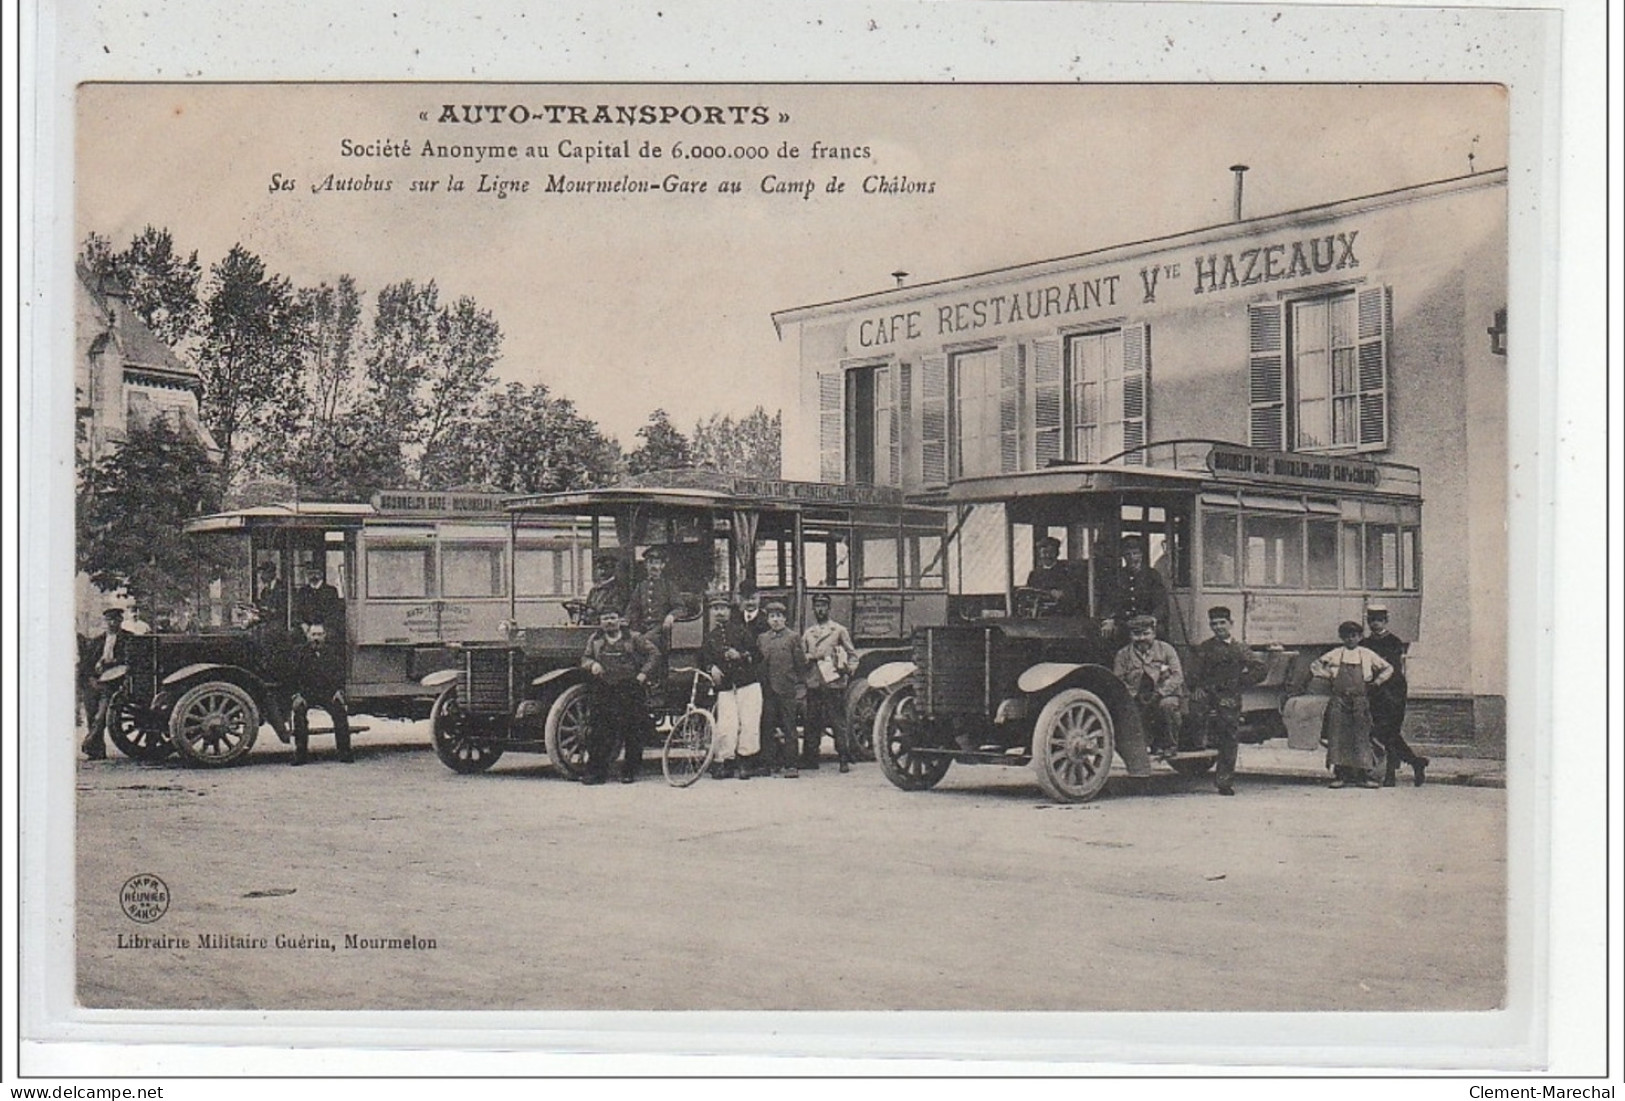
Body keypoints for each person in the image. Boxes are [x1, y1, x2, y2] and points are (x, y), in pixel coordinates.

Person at [1186, 606, 1266, 796]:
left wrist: (1240, 683)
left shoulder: (1240, 649)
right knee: (1195, 712)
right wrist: (1196, 688)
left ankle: (1224, 781)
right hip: (1207, 692)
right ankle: (1199, 742)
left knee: (1229, 735)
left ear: (1231, 624)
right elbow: (1193, 673)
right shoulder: (1205, 648)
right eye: (1214, 624)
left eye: (1222, 623)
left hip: (1228, 695)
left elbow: (1259, 669)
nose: (1218, 627)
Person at [579, 608, 660, 784]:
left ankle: (629, 771)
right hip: (604, 688)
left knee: (632, 731)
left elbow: (654, 654)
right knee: (599, 732)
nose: (609, 621)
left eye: (613, 618)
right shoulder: (595, 639)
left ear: (620, 620)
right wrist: (592, 664)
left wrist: (643, 674)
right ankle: (596, 773)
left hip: (630, 688)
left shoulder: (634, 638)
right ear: (600, 621)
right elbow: (584, 658)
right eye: (605, 618)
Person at [1311, 620, 1394, 789]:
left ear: (1360, 637)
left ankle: (1363, 777)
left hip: (1360, 700)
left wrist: (1377, 681)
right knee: (1339, 736)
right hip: (1339, 700)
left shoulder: (1366, 654)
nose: (1350, 639)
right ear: (1342, 637)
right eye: (1347, 636)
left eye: (1354, 636)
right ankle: (1340, 775)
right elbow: (1315, 665)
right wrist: (1329, 676)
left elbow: (1388, 668)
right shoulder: (1335, 653)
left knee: (1361, 737)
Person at [699, 592, 762, 780]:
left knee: (749, 723)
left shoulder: (742, 631)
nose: (720, 613)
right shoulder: (710, 638)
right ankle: (727, 762)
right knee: (727, 724)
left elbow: (758, 655)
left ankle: (745, 762)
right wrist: (712, 668)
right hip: (725, 687)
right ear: (711, 613)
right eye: (716, 609)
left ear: (729, 611)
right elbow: (704, 659)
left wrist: (741, 655)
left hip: (747, 684)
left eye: (723, 609)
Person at [1363, 604, 1428, 787]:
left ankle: (1391, 774)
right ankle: (1415, 762)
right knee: (1386, 733)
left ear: (1386, 621)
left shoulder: (1394, 642)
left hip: (1393, 691)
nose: (1375, 624)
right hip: (1375, 693)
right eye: (1372, 621)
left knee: (1388, 732)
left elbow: (1393, 670)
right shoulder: (1365, 644)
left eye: (1379, 620)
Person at [1113, 614, 1185, 756]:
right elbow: (1118, 680)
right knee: (1131, 710)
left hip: (1165, 694)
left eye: (1146, 633)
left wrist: (1161, 692)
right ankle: (1145, 746)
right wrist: (1133, 694)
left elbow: (1177, 676)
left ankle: (1170, 745)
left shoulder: (1166, 649)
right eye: (1136, 634)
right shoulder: (1123, 654)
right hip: (1137, 695)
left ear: (1154, 633)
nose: (1141, 638)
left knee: (1167, 706)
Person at [801, 592, 858, 772]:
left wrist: (848, 671)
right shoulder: (808, 633)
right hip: (814, 682)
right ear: (813, 609)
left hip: (833, 681)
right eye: (817, 606)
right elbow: (801, 656)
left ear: (829, 608)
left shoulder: (838, 630)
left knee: (837, 720)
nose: (820, 609)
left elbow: (853, 656)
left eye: (824, 605)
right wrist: (808, 658)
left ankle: (843, 757)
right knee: (812, 721)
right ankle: (811, 757)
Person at [286, 621, 352, 765]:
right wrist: (296, 695)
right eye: (314, 634)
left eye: (320, 634)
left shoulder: (332, 652)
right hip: (306, 693)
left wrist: (339, 691)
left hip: (327, 693)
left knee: (340, 712)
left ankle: (345, 752)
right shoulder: (299, 653)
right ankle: (301, 755)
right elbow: (291, 676)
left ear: (325, 636)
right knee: (299, 712)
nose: (316, 638)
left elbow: (340, 673)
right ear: (308, 636)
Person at [756, 599, 807, 778]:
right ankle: (768, 764)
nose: (775, 620)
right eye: (772, 616)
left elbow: (801, 664)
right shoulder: (762, 638)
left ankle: (791, 764)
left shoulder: (793, 637)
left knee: (789, 727)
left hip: (787, 689)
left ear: (785, 619)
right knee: (767, 726)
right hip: (768, 690)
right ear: (767, 620)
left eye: (779, 616)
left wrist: (799, 686)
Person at [79, 607, 131, 760]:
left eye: (116, 620)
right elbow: (86, 664)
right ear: (105, 622)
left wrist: (112, 662)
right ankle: (97, 751)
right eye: (109, 620)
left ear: (121, 621)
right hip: (94, 681)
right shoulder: (97, 641)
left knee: (101, 717)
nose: (112, 623)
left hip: (113, 683)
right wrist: (91, 680)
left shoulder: (129, 639)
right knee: (91, 715)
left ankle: (88, 742)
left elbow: (131, 662)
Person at [1104, 535, 1170, 640]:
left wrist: (1153, 618)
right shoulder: (1117, 576)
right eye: (1128, 554)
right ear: (1123, 557)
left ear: (1141, 555)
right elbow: (1109, 601)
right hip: (1123, 622)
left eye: (1135, 553)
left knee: (1159, 633)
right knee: (1108, 633)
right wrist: (1109, 619)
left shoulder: (1152, 575)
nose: (1132, 558)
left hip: (1146, 621)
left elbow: (1161, 602)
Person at [1022, 536, 1080, 615]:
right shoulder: (1034, 574)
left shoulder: (1066, 572)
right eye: (1044, 553)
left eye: (1051, 552)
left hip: (1060, 614)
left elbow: (1072, 594)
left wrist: (1061, 594)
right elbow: (1029, 594)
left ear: (1057, 553)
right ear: (1040, 554)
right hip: (1037, 612)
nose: (1048, 556)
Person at [293, 565, 345, 637]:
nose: (313, 576)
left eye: (316, 573)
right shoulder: (303, 591)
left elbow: (335, 612)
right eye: (310, 573)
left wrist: (324, 627)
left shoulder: (330, 591)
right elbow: (297, 611)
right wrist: (304, 625)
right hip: (306, 630)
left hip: (326, 629)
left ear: (321, 574)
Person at [582, 553, 629, 623]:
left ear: (613, 569)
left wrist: (595, 613)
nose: (602, 572)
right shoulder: (594, 590)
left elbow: (616, 610)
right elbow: (587, 607)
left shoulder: (619, 589)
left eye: (606, 568)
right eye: (600, 568)